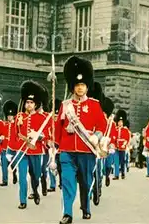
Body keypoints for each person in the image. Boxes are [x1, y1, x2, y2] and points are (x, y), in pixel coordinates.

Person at [55, 56, 107, 224]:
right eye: (77, 85)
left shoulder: (94, 104)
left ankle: (85, 207)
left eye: (82, 85)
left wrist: (95, 136)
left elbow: (102, 125)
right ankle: (67, 213)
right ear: (73, 87)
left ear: (87, 87)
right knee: (68, 182)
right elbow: (58, 127)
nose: (79, 88)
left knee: (85, 182)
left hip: (86, 150)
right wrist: (56, 146)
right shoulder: (65, 105)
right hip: (67, 150)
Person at [15, 80, 49, 209]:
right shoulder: (20, 117)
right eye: (27, 102)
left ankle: (35, 190)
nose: (28, 105)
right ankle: (22, 200)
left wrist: (37, 135)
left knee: (35, 175)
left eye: (31, 103)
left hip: (35, 150)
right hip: (23, 150)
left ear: (35, 105)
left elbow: (45, 135)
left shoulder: (41, 118)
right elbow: (16, 134)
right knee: (22, 176)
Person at [1, 100, 19, 186]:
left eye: (11, 116)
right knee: (4, 165)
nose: (9, 117)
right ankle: (5, 180)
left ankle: (14, 173)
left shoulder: (16, 125)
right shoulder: (4, 124)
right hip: (5, 147)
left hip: (13, 148)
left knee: (13, 164)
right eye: (8, 116)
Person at [113, 110, 131, 180]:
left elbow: (127, 138)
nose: (120, 123)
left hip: (122, 148)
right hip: (116, 147)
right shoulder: (116, 129)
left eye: (121, 122)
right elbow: (114, 137)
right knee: (116, 162)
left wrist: (124, 144)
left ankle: (123, 173)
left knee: (122, 162)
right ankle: (116, 175)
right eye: (119, 122)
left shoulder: (125, 130)